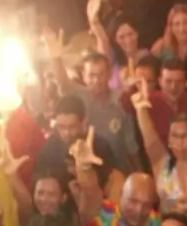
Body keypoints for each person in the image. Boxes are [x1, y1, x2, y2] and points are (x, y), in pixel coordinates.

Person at [44, 32, 142, 173]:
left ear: (109, 74)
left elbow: (131, 147)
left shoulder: (121, 100)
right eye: (91, 75)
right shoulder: (79, 96)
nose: (96, 80)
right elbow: (63, 85)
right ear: (84, 76)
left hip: (116, 171)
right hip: (87, 169)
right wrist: (56, 59)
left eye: (101, 75)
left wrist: (140, 173)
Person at [35, 94, 124, 202]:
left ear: (84, 122)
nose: (66, 133)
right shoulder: (48, 150)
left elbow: (114, 183)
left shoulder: (100, 146)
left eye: (72, 127)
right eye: (61, 127)